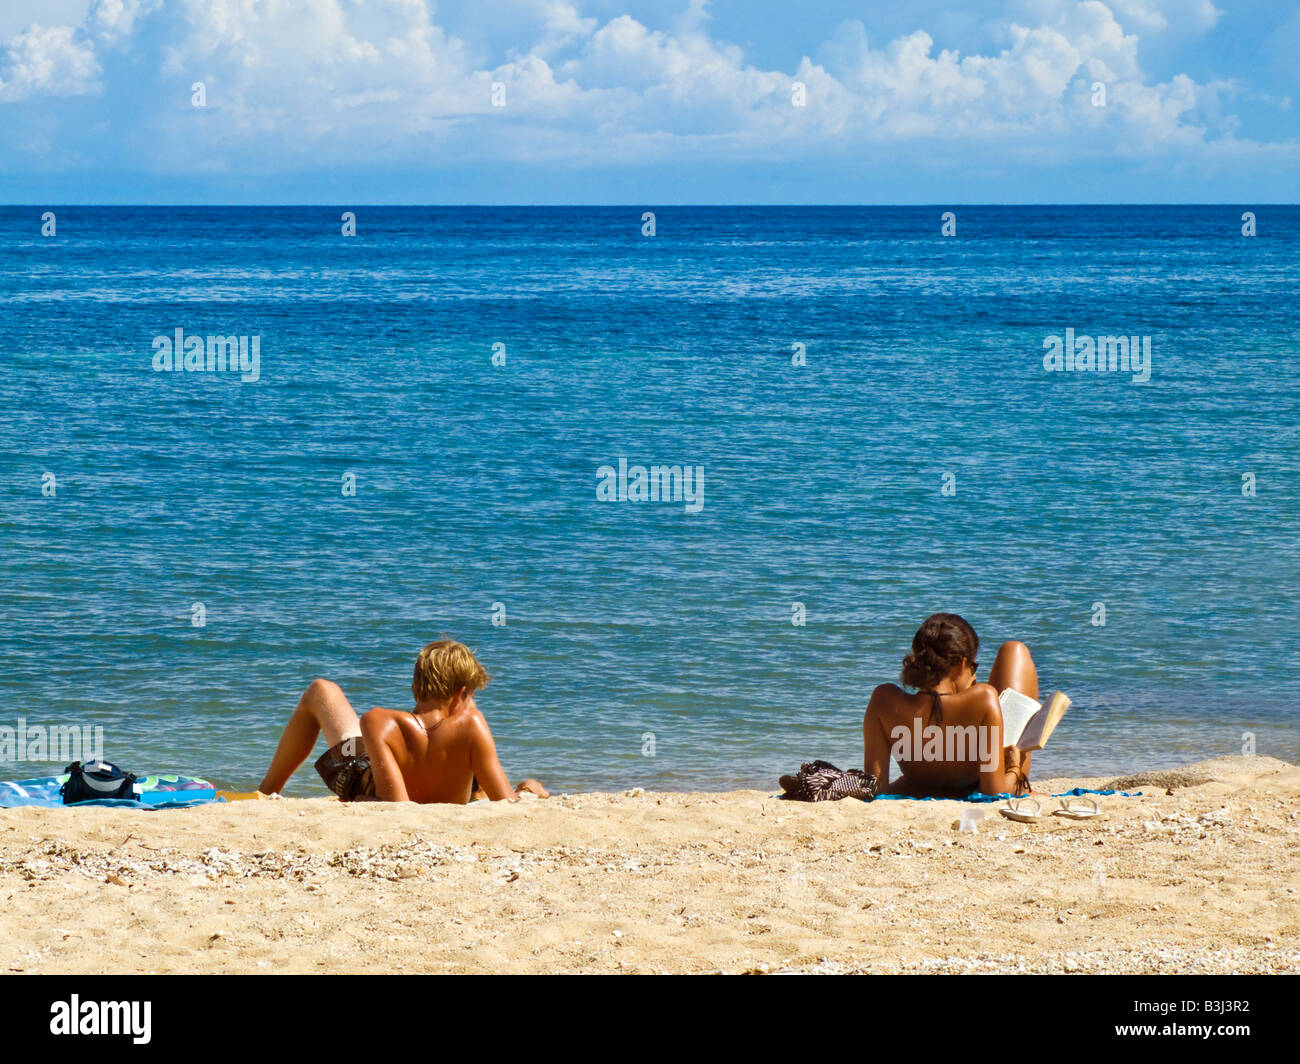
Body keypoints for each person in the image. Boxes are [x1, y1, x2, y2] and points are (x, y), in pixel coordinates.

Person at [258, 639, 547, 803]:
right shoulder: (473, 724)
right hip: (457, 785)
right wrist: (530, 789)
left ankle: (266, 792)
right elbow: (506, 804)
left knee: (321, 690)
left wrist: (364, 802)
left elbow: (395, 806)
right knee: (527, 783)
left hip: (368, 773)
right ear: (461, 694)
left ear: (414, 686)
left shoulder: (378, 721)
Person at [863, 613, 1039, 797]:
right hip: (979, 782)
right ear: (962, 664)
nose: (975, 676)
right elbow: (993, 793)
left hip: (917, 783)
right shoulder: (983, 698)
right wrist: (1014, 767)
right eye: (974, 666)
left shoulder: (883, 700)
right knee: (1014, 651)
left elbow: (877, 789)